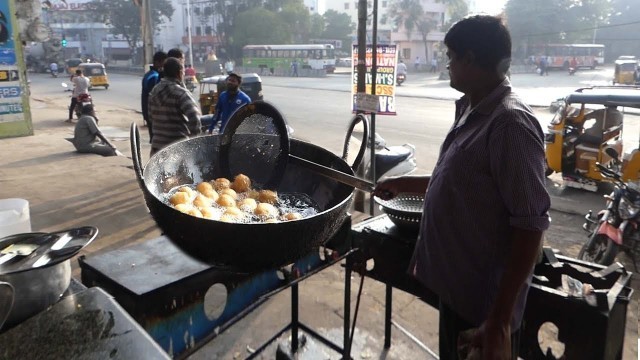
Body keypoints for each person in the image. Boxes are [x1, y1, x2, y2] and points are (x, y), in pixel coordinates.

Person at [373, 15, 550, 360]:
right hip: (459, 292)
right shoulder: (472, 108)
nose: (448, 65)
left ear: (470, 59)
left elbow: (530, 225)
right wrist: (403, 183)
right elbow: (459, 181)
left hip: (484, 307)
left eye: (451, 57)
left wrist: (498, 322)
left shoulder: (510, 124)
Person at [148, 57, 202, 155]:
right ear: (179, 73)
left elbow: (150, 117)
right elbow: (195, 118)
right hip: (177, 150)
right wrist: (194, 140)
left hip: (156, 149)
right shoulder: (181, 93)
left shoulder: (154, 91)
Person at [141, 51, 167, 141]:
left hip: (150, 116)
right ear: (157, 62)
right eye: (164, 63)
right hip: (155, 118)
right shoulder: (154, 77)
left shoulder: (148, 75)